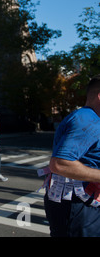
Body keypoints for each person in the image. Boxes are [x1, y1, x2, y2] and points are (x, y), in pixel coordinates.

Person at [44, 74, 100, 237]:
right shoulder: (86, 121)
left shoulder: (90, 118)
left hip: (82, 202)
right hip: (76, 205)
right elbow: (60, 164)